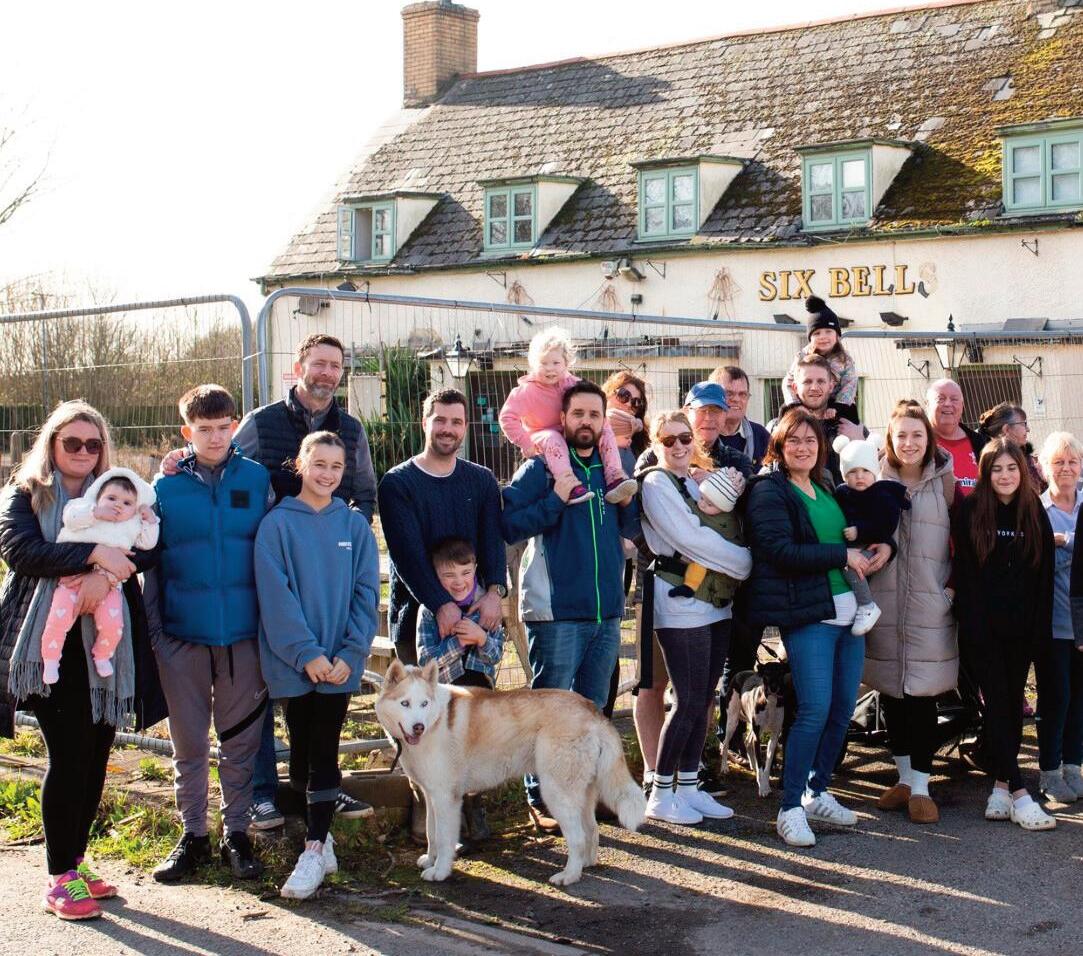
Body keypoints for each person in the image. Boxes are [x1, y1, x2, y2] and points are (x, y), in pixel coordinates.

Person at [161, 333, 377, 829]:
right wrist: (179, 460)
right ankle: (261, 793)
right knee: (259, 697)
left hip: (328, 567)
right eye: (318, 363)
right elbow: (221, 462)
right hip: (270, 565)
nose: (326, 373)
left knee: (321, 712)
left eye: (335, 366)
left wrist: (344, 535)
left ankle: (320, 790)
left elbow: (364, 491)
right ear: (299, 366)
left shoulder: (351, 429)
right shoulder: (261, 422)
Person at [0, 400, 165, 921]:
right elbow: (20, 550)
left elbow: (149, 547)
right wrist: (93, 556)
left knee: (96, 753)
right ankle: (58, 879)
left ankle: (75, 859)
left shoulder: (119, 490)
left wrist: (106, 577)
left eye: (93, 444)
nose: (83, 451)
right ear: (51, 443)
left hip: (107, 647)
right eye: (72, 442)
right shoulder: (26, 494)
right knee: (70, 754)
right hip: (47, 645)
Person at [743, 407, 891, 848]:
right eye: (794, 441)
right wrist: (842, 556)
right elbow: (778, 550)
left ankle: (816, 790)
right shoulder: (769, 490)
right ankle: (790, 808)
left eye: (811, 441)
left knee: (842, 708)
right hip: (810, 616)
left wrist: (886, 545)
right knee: (813, 710)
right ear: (779, 446)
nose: (803, 448)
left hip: (850, 617)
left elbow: (858, 530)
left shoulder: (826, 485)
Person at [146, 384, 271, 882]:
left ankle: (236, 833)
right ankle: (193, 835)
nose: (215, 437)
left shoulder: (257, 479)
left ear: (235, 425)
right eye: (204, 429)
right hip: (182, 638)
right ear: (187, 431)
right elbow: (149, 563)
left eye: (223, 427)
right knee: (189, 744)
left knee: (240, 743)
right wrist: (158, 634)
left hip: (243, 638)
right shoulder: (164, 487)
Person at [502, 380, 639, 832]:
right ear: (562, 418)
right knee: (547, 710)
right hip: (556, 611)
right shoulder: (541, 468)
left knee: (592, 710)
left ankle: (582, 795)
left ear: (603, 421)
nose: (586, 421)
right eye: (577, 413)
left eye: (594, 415)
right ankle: (539, 798)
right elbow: (508, 524)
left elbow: (628, 526)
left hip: (606, 611)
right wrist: (555, 501)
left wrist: (629, 513)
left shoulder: (612, 468)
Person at [254, 431, 379, 900]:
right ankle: (321, 837)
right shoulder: (276, 525)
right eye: (319, 464)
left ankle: (312, 850)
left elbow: (366, 595)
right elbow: (276, 596)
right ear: (300, 464)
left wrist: (350, 653)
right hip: (295, 661)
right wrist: (306, 653)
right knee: (302, 749)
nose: (327, 473)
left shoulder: (354, 527)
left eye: (336, 466)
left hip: (340, 665)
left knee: (325, 746)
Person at [638, 411, 752, 825]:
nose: (679, 446)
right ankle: (660, 792)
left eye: (685, 438)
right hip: (681, 605)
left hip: (717, 602)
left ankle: (689, 786)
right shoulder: (656, 483)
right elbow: (692, 539)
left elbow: (725, 522)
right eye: (668, 440)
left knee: (704, 698)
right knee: (686, 700)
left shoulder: (698, 480)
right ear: (656, 445)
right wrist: (744, 563)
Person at [953, 437, 1056, 831]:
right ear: (985, 473)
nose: (1005, 475)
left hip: (1023, 631)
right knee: (997, 704)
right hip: (983, 633)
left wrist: (1039, 631)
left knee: (1012, 705)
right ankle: (1019, 791)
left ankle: (999, 787)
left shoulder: (1034, 510)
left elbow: (1044, 576)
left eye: (1012, 468)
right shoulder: (971, 510)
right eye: (996, 469)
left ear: (1022, 471)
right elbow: (965, 574)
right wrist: (975, 626)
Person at [865, 400, 957, 825]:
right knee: (891, 693)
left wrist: (950, 590)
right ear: (890, 437)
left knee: (922, 697)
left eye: (917, 434)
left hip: (929, 604)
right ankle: (903, 779)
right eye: (901, 434)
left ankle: (921, 786)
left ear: (928, 438)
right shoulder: (874, 477)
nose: (909, 442)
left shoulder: (945, 481)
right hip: (883, 603)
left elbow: (965, 537)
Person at [378, 388, 507, 669]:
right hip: (419, 624)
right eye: (440, 420)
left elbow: (493, 542)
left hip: (475, 620)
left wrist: (495, 593)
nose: (448, 429)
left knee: (476, 698)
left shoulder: (482, 480)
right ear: (424, 423)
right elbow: (407, 556)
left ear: (465, 427)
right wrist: (440, 604)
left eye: (456, 422)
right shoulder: (397, 484)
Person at [416, 536, 507, 842]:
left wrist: (481, 637)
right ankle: (452, 827)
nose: (459, 582)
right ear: (436, 575)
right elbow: (427, 663)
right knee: (447, 759)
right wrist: (458, 641)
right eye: (449, 575)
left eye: (465, 573)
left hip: (480, 700)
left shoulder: (487, 607)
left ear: (476, 569)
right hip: (446, 701)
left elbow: (496, 654)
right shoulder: (429, 612)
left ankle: (475, 810)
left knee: (476, 755)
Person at [41, 468, 159, 683]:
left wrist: (150, 520)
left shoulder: (131, 524)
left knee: (113, 625)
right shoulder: (84, 508)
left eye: (127, 503)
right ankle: (50, 658)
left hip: (110, 586)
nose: (118, 505)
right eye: (111, 498)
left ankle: (102, 655)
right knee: (58, 619)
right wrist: (95, 513)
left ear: (135, 509)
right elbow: (70, 518)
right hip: (71, 579)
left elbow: (148, 544)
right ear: (98, 496)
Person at [499, 327, 637, 505]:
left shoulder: (571, 383)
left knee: (605, 428)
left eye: (555, 363)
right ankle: (569, 484)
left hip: (568, 432)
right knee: (552, 437)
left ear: (566, 363)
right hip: (541, 434)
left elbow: (589, 397)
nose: (550, 368)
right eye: (543, 363)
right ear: (533, 364)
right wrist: (526, 443)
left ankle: (614, 476)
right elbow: (507, 418)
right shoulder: (525, 392)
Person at [1035, 432, 1083, 803]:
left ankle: (1073, 767)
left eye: (1072, 462)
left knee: (1079, 699)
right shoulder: (1037, 511)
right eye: (1058, 462)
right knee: (1056, 697)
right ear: (1043, 467)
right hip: (1051, 623)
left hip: (1082, 625)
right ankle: (1049, 773)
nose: (1065, 469)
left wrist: (1065, 541)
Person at [601, 371, 648, 719]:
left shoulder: (636, 452)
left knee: (609, 637)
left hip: (620, 557)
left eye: (637, 402)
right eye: (623, 395)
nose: (630, 404)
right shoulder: (584, 438)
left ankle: (603, 716)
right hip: (583, 553)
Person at [831, 434, 911, 636]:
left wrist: (860, 531)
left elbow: (886, 525)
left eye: (866, 470)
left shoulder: (882, 494)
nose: (859, 476)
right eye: (852, 471)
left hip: (870, 547)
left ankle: (867, 605)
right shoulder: (841, 494)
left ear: (875, 472)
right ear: (844, 474)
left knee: (853, 568)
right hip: (851, 548)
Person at [769, 354, 864, 486]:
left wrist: (861, 443)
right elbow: (769, 470)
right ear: (795, 387)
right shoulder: (778, 427)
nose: (814, 388)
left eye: (821, 381)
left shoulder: (850, 425)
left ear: (831, 386)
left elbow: (872, 471)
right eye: (807, 382)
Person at [782, 296, 859, 414]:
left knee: (850, 415)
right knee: (785, 413)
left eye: (828, 331)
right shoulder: (802, 357)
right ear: (810, 338)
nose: (823, 337)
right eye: (817, 333)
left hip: (836, 403)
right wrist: (795, 404)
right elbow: (788, 382)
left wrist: (838, 406)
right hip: (805, 401)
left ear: (837, 335)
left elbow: (850, 384)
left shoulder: (844, 359)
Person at [925, 378, 987, 497]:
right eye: (941, 398)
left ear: (962, 406)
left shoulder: (980, 443)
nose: (948, 404)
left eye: (954, 399)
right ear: (927, 404)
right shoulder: (917, 444)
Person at [710, 366, 770, 470]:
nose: (736, 399)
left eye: (742, 394)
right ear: (712, 396)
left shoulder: (761, 435)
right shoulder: (701, 438)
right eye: (729, 394)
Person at [979, 402, 1046, 493]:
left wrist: (1044, 477)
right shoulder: (988, 461)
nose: (1028, 429)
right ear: (1006, 429)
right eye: (1023, 424)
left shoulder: (1028, 460)